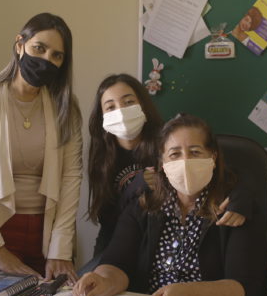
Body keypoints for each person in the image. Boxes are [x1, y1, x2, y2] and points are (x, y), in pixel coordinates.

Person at [75, 113, 267, 296]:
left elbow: (243, 288)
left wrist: (187, 294)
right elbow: (117, 262)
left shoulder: (235, 208)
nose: (185, 162)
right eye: (175, 154)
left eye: (195, 152)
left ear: (212, 157)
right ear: (163, 162)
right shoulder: (144, 205)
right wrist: (103, 280)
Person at [0, 13, 82, 282]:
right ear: (20, 45)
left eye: (56, 56)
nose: (46, 60)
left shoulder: (65, 108)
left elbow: (71, 178)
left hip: (45, 234)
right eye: (39, 48)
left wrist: (60, 249)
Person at [84, 74, 247, 272]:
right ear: (101, 115)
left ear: (142, 104)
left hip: (154, 244)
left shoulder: (167, 142)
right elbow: (106, 216)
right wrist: (133, 189)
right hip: (116, 242)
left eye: (129, 102)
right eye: (110, 107)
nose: (121, 112)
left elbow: (223, 175)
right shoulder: (102, 155)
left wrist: (240, 199)